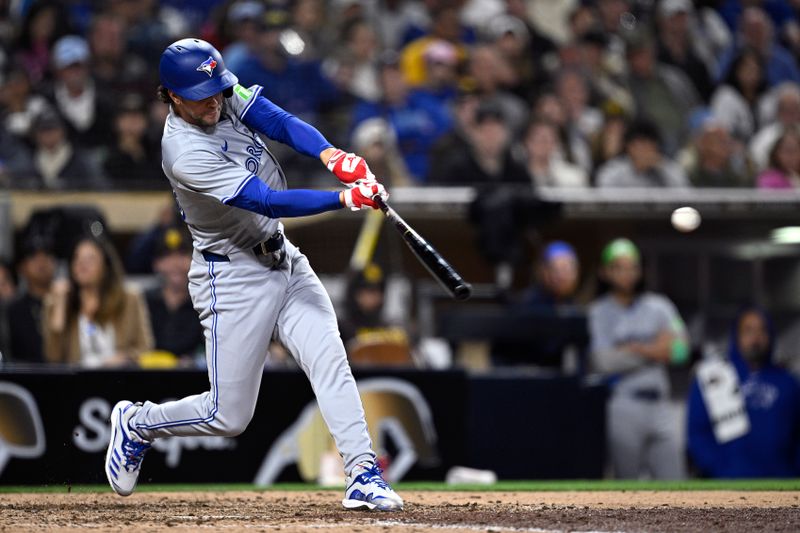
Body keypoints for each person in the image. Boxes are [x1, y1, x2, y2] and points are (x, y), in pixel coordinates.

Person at [104, 38, 403, 512]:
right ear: (172, 95)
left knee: (329, 356)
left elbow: (275, 119)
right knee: (228, 416)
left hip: (282, 256)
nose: (215, 101)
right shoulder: (182, 151)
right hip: (233, 276)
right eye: (202, 94)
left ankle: (363, 472)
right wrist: (342, 198)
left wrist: (333, 156)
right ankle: (138, 423)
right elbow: (264, 199)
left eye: (218, 90)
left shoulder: (217, 94)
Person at [588, 238, 689, 479]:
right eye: (618, 267)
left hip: (661, 403)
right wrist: (655, 350)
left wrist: (634, 349)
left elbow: (681, 351)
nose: (626, 273)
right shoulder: (598, 311)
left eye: (632, 266)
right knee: (627, 485)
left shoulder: (660, 306)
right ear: (605, 272)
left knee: (676, 483)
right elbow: (603, 362)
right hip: (623, 403)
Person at [687, 307, 800, 477]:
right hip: (728, 482)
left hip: (782, 480)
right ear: (736, 336)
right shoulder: (714, 378)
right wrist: (719, 470)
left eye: (762, 330)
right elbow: (697, 434)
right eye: (748, 330)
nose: (755, 337)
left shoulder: (789, 382)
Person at [43, 236, 153, 367]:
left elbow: (145, 349)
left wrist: (124, 358)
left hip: (120, 379)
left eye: (90, 258)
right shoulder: (58, 302)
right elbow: (53, 358)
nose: (82, 264)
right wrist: (60, 307)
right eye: (77, 258)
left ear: (105, 265)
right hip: (76, 383)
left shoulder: (129, 299)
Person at [144, 225, 203, 364]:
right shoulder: (144, 303)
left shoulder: (204, 303)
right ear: (156, 263)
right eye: (167, 256)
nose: (175, 263)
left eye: (182, 254)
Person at [3, 238, 56, 364]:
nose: (41, 261)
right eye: (33, 256)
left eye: (47, 255)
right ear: (22, 267)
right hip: (21, 378)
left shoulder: (69, 304)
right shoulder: (11, 310)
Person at [595, 120, 689, 188]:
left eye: (650, 144)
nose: (646, 150)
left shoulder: (666, 168)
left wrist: (662, 168)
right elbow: (603, 188)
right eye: (641, 144)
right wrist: (639, 168)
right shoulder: (615, 169)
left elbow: (685, 193)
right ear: (629, 146)